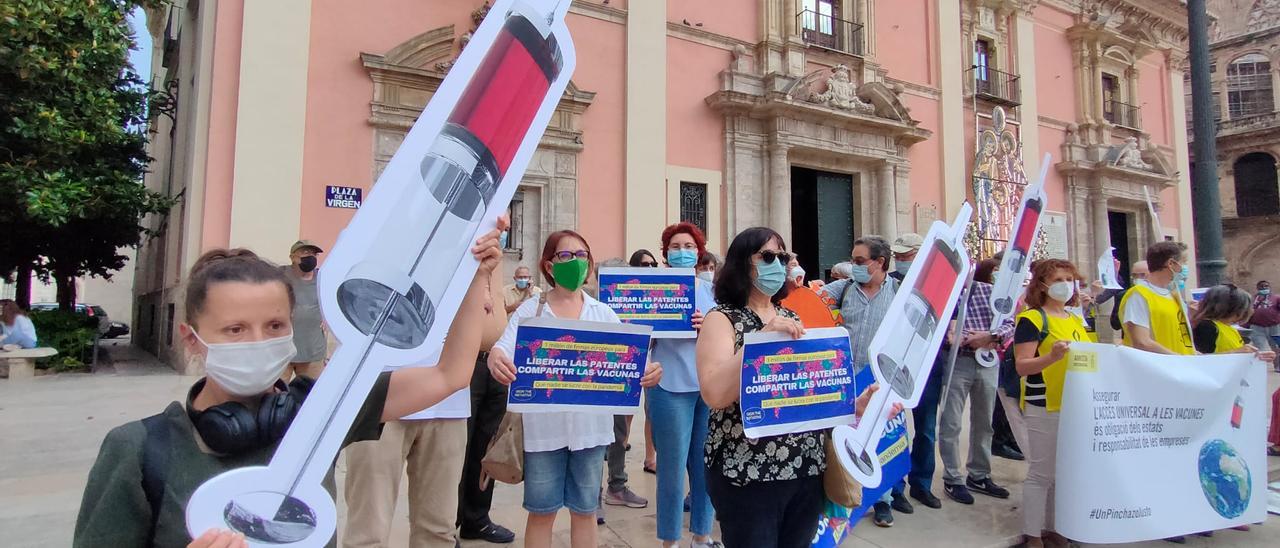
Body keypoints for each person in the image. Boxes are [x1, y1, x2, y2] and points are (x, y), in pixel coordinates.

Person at [72, 221, 506, 548]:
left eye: (274, 325)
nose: (259, 341)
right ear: (192, 337)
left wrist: (474, 279)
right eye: (235, 329)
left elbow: (448, 375)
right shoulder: (137, 450)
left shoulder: (320, 411)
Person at [695, 227, 892, 547]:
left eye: (782, 257)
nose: (778, 264)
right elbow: (714, 393)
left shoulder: (791, 314)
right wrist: (762, 342)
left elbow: (802, 388)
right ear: (742, 262)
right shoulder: (722, 319)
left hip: (804, 468)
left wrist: (849, 407)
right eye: (768, 256)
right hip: (748, 473)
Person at [487, 230, 662, 548]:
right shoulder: (532, 312)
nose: (576, 262)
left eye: (582, 255)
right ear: (550, 266)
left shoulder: (603, 313)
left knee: (585, 512)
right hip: (544, 434)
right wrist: (497, 360)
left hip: (590, 434)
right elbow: (502, 347)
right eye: (566, 256)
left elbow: (630, 359)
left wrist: (648, 371)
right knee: (542, 513)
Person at [343, 266, 507, 548]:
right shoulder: (375, 231)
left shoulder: (477, 247)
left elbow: (493, 329)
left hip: (448, 404)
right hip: (382, 395)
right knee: (367, 533)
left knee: (437, 531)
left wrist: (480, 284)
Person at [818, 236, 910, 526]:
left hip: (879, 380)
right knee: (839, 440)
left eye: (859, 262)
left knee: (876, 441)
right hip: (843, 377)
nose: (853, 266)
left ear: (879, 263)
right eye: (853, 260)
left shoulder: (898, 294)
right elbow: (809, 301)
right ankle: (838, 500)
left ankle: (882, 501)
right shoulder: (842, 289)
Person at [647, 222, 721, 548]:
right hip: (668, 387)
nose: (682, 252)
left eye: (688, 246)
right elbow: (637, 339)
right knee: (672, 471)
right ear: (666, 254)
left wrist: (709, 327)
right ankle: (669, 540)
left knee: (706, 467)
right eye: (675, 247)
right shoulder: (652, 290)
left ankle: (702, 535)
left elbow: (729, 340)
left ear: (698, 251)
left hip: (708, 387)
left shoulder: (714, 293)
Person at [1012, 259, 1090, 548]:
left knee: (1062, 472)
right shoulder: (1032, 319)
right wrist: (1051, 358)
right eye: (1059, 279)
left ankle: (1057, 526)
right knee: (1041, 472)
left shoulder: (1074, 319)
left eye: (1070, 278)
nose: (1066, 285)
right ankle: (1033, 534)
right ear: (1043, 285)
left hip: (1074, 403)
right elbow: (1022, 365)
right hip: (1045, 401)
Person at [937, 257, 1014, 506]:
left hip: (987, 360)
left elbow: (1010, 323)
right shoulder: (942, 295)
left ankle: (979, 474)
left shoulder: (989, 292)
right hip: (956, 360)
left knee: (984, 421)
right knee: (951, 421)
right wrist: (949, 337)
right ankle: (953, 477)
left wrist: (990, 336)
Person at [1119, 242, 1195, 356]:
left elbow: (1183, 343)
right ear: (1171, 263)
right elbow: (1141, 342)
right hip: (1157, 369)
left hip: (1178, 368)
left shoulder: (1173, 296)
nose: (1185, 267)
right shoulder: (1139, 295)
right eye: (1183, 262)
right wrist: (1179, 359)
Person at [281, 240, 327, 380]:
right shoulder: (280, 275)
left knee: (311, 395)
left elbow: (336, 300)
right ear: (292, 257)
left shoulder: (323, 278)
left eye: (313, 253)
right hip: (282, 353)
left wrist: (329, 319)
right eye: (305, 252)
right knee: (275, 396)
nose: (310, 257)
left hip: (312, 351)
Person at [1247, 280, 1280, 372]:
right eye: (1262, 286)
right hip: (1257, 327)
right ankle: (1260, 367)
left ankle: (1278, 365)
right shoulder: (1252, 299)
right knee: (1259, 347)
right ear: (1257, 288)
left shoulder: (1276, 298)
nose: (1264, 288)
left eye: (1266, 286)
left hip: (1274, 327)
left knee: (1277, 347)